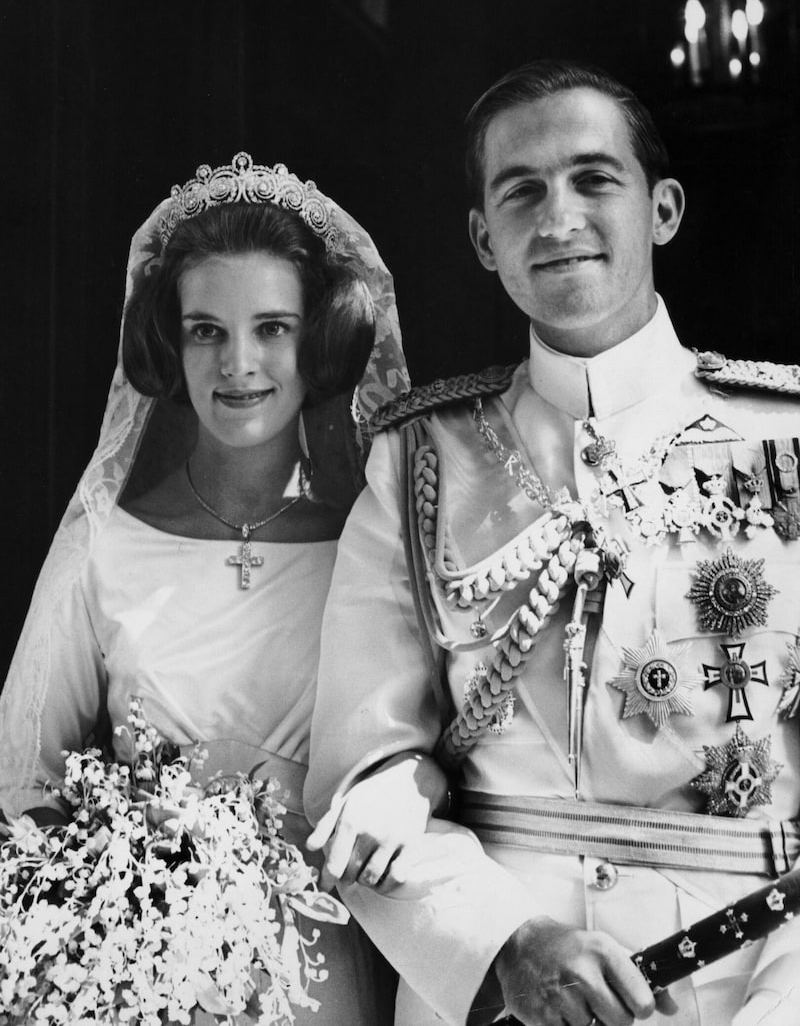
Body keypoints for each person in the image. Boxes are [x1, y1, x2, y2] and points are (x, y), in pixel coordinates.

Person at [305, 61, 800, 1026]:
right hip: (498, 997)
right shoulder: (419, 461)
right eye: (521, 190)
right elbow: (364, 776)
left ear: (662, 209)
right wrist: (502, 945)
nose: (558, 213)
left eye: (593, 177)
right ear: (485, 240)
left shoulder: (785, 438)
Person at [0, 152, 441, 1024]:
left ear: (318, 339)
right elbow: (24, 787)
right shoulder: (108, 543)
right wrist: (105, 917)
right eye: (207, 329)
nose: (239, 364)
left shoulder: (379, 540)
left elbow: (456, 748)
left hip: (329, 962)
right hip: (134, 975)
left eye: (273, 326)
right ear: (170, 341)